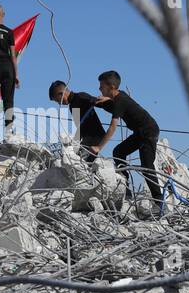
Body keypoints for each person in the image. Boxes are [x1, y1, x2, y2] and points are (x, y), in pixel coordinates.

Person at [92, 70, 164, 209]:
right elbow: (112, 101)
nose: (100, 89)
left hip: (149, 131)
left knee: (147, 166)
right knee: (118, 152)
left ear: (111, 87)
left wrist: (99, 147)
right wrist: (103, 100)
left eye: (102, 86)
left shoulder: (120, 102)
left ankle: (159, 202)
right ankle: (126, 189)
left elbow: (112, 127)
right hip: (140, 133)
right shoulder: (119, 96)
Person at [48, 80, 105, 162]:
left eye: (58, 100)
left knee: (84, 162)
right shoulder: (72, 106)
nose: (60, 104)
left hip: (95, 136)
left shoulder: (80, 97)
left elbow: (99, 102)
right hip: (87, 139)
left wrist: (107, 101)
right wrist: (74, 142)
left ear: (61, 93)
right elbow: (80, 126)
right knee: (77, 159)